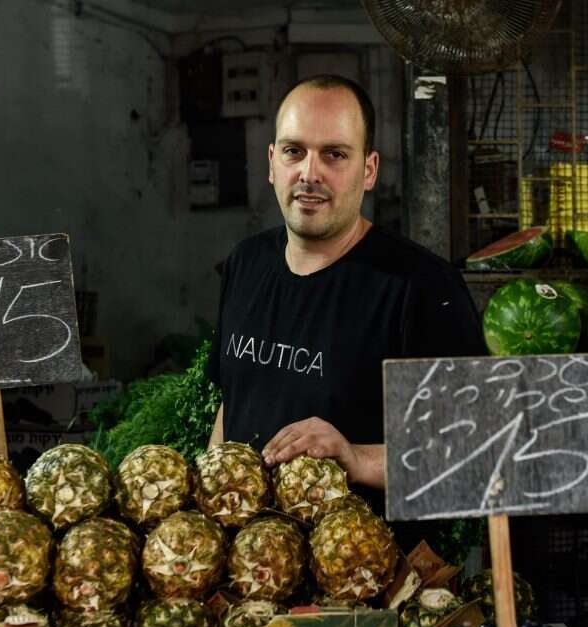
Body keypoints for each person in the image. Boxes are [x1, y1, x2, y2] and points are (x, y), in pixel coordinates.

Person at [207, 74, 484, 537]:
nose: (310, 173)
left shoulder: (421, 287)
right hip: (246, 571)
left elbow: (474, 455)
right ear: (273, 163)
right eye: (295, 151)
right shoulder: (246, 263)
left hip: (360, 583)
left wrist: (357, 458)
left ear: (369, 170)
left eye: (334, 154)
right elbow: (230, 404)